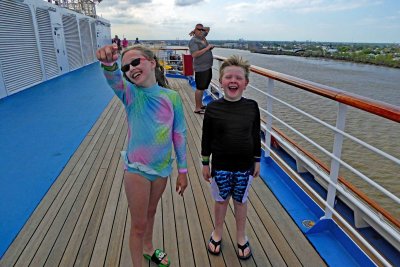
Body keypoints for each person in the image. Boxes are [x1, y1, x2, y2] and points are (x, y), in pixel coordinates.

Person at [96, 44, 188, 267]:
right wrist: (109, 64)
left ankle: (148, 247)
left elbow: (179, 134)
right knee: (138, 224)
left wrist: (182, 171)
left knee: (152, 210)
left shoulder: (172, 97)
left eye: (136, 62)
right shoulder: (130, 94)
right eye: (126, 66)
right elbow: (114, 80)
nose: (131, 68)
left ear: (152, 63)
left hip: (162, 169)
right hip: (137, 169)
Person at [201, 55, 261, 260]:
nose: (233, 81)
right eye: (228, 77)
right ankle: (217, 232)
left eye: (238, 78)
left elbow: (255, 135)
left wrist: (257, 160)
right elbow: (206, 138)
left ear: (245, 83)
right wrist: (205, 163)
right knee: (220, 201)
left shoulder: (252, 107)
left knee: (240, 202)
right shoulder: (213, 108)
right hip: (221, 167)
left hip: (244, 166)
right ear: (221, 81)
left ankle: (241, 236)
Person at [188, 23, 214, 114]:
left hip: (207, 66)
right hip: (201, 68)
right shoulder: (193, 41)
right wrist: (207, 48)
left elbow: (208, 28)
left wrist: (200, 29)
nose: (201, 31)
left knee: (203, 88)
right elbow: (194, 54)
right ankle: (197, 108)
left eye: (201, 30)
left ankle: (201, 104)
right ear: (195, 30)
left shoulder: (202, 37)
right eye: (198, 29)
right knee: (199, 88)